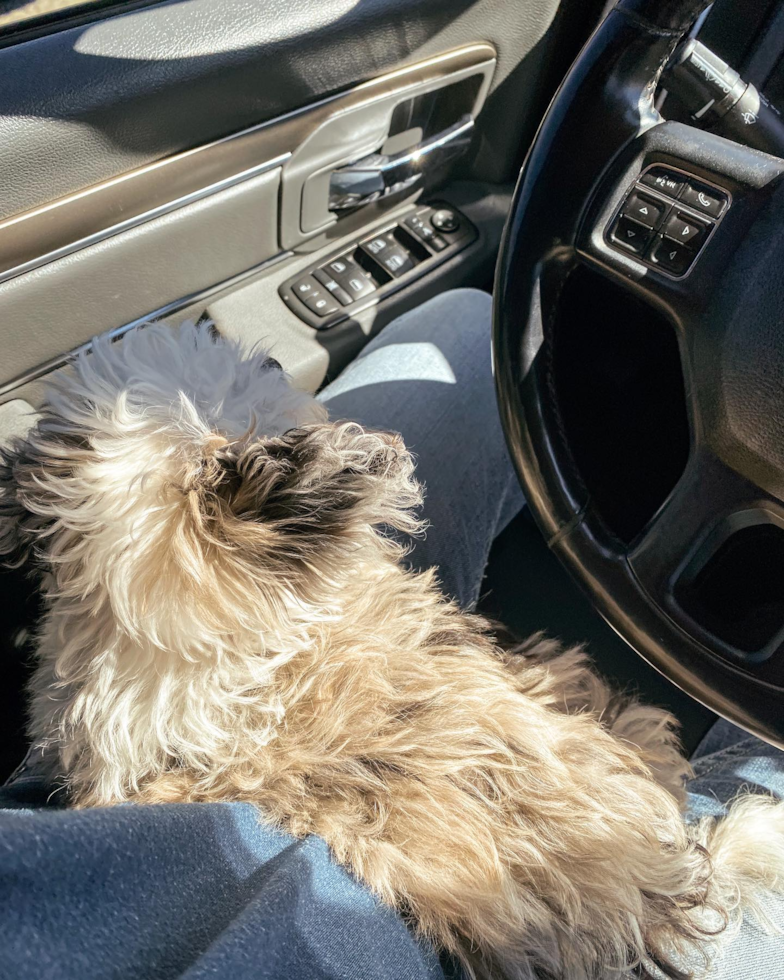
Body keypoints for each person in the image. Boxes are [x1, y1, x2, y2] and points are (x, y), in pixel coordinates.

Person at [0, 289, 781, 979]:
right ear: (310, 514)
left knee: (467, 318)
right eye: (267, 379)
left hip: (142, 801)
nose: (282, 380)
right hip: (527, 927)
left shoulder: (87, 746)